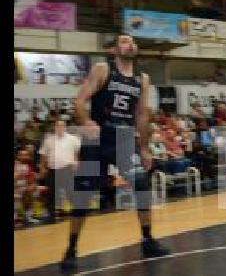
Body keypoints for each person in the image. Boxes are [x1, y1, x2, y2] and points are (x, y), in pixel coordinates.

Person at [59, 34, 169, 272]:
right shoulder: (102, 69)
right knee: (82, 197)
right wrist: (86, 121)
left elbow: (141, 115)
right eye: (123, 41)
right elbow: (79, 102)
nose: (129, 44)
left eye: (132, 42)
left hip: (124, 139)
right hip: (97, 139)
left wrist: (144, 148)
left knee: (142, 184)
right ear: (114, 49)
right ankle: (71, 249)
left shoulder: (143, 79)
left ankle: (148, 240)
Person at [38, 120, 81, 224]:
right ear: (55, 127)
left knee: (70, 192)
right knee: (50, 194)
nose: (60, 127)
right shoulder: (49, 140)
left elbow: (78, 152)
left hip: (67, 169)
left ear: (65, 127)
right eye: (57, 125)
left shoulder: (73, 139)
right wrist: (42, 167)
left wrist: (77, 162)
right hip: (52, 170)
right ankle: (51, 217)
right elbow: (43, 154)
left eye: (62, 125)